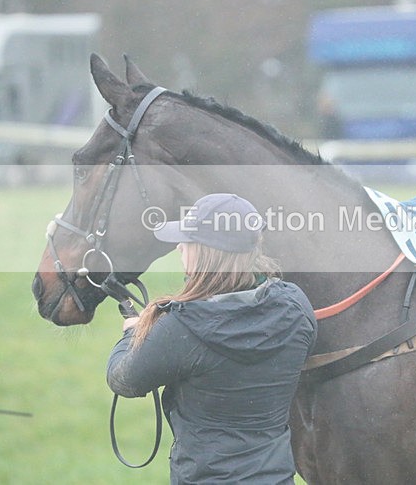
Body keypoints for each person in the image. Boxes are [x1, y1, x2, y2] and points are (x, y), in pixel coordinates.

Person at [107, 193, 317, 484]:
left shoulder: (180, 329)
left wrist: (133, 333)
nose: (179, 246)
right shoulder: (296, 307)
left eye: (188, 240)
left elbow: (123, 379)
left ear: (207, 252)